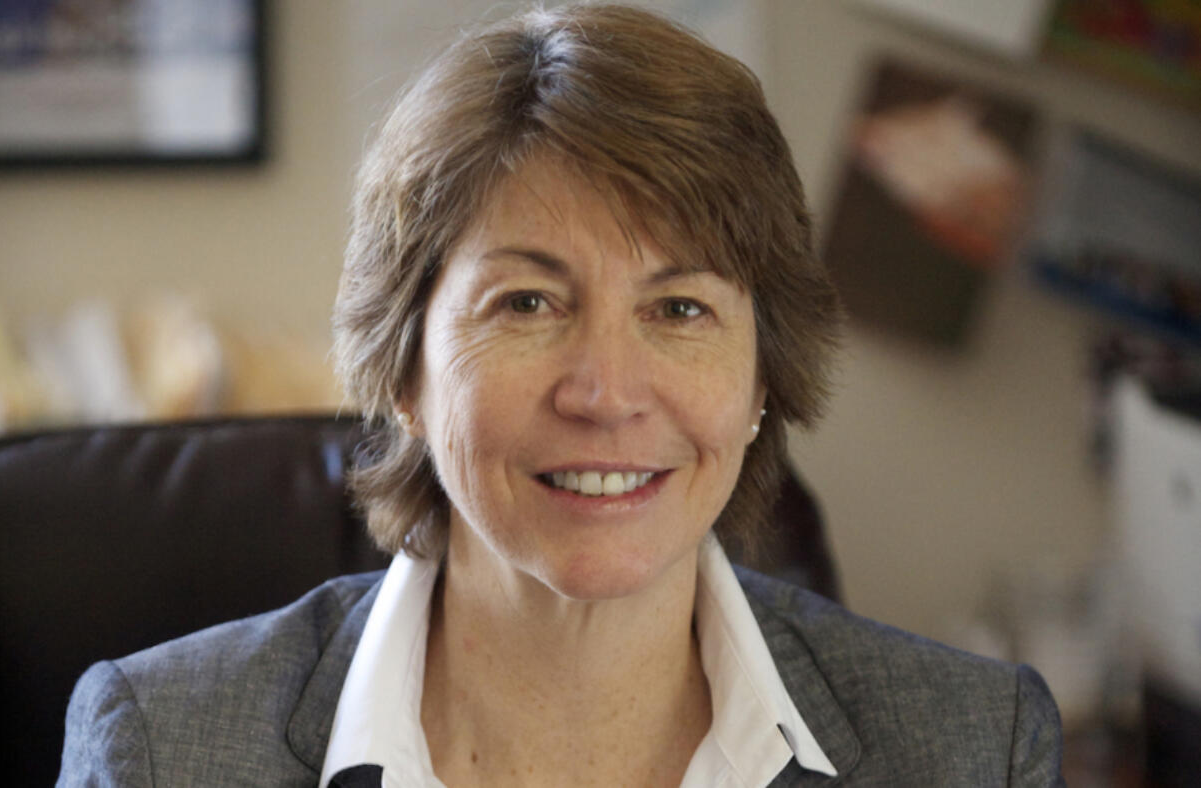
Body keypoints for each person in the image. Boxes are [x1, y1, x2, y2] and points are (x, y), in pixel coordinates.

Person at [59, 4, 1064, 786]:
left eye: (677, 309)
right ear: (406, 369)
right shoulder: (165, 745)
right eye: (528, 300)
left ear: (763, 374)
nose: (606, 392)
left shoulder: (971, 746)